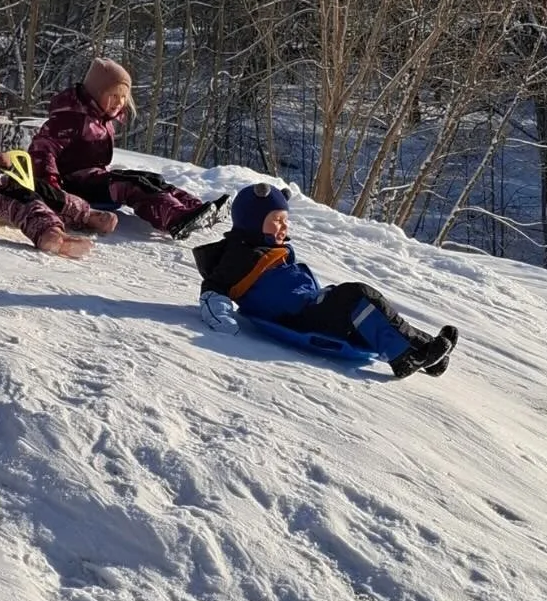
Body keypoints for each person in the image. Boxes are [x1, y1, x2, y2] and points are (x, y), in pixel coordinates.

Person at [193, 182, 458, 377]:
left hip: (310, 306)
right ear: (252, 222)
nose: (284, 227)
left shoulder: (267, 249)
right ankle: (406, 356)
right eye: (276, 220)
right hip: (300, 317)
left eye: (285, 220)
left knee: (369, 305)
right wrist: (222, 321)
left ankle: (426, 350)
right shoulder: (240, 255)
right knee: (357, 296)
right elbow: (214, 289)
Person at [0, 49, 118, 260]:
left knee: (36, 186)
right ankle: (49, 234)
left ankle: (85, 214)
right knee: (17, 197)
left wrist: (2, 163)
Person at [27, 58, 226, 240]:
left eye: (123, 97)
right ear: (95, 93)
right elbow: (43, 149)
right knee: (132, 186)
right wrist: (52, 187)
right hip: (72, 186)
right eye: (113, 95)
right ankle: (175, 218)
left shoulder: (100, 118)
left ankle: (195, 207)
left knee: (150, 179)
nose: (119, 102)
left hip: (92, 178)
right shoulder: (71, 119)